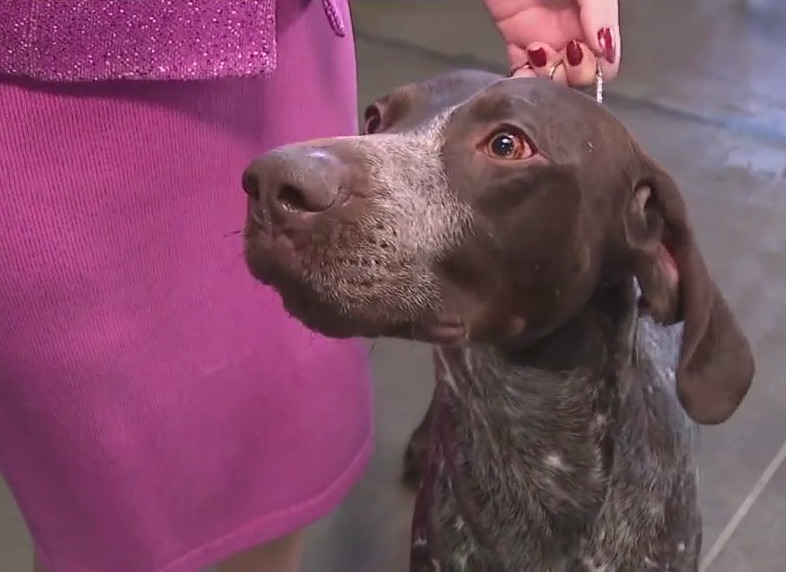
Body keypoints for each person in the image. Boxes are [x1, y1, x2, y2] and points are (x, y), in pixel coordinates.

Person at [0, 1, 620, 571]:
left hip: (271, 33)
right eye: (376, 123)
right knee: (112, 511)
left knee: (276, 463)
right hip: (41, 63)